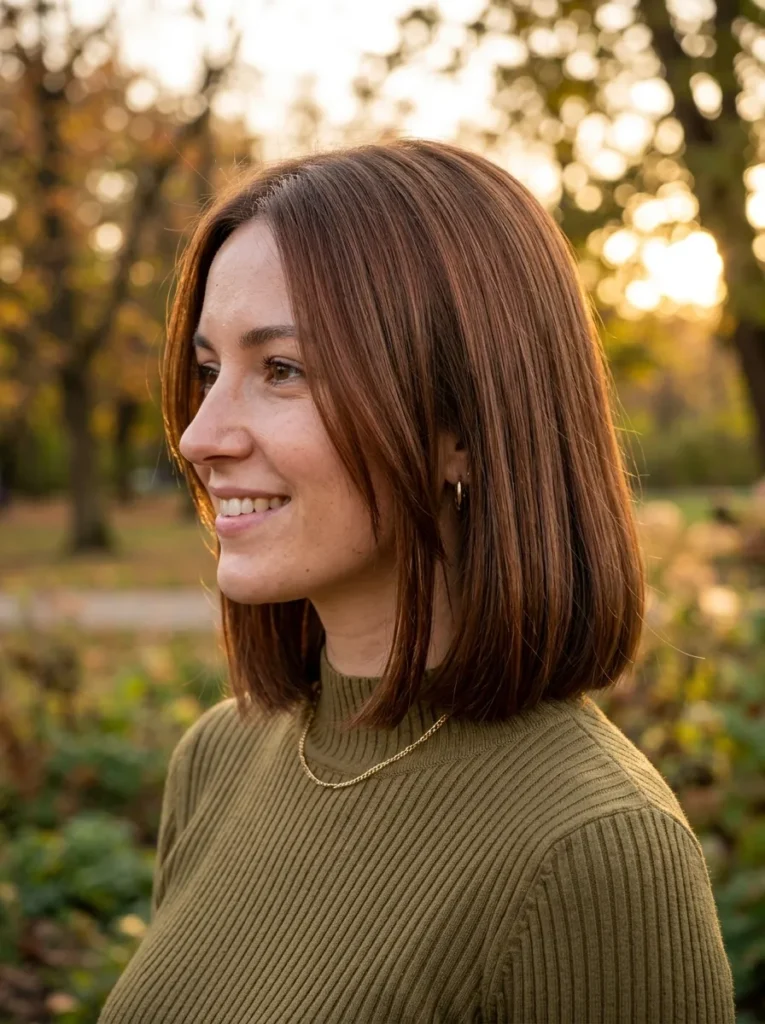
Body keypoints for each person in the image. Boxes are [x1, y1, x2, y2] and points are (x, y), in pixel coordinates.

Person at [99, 139, 735, 1023]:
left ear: (460, 429)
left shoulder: (593, 851)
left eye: (280, 369)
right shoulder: (218, 758)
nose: (199, 436)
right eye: (209, 372)